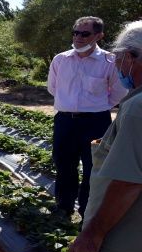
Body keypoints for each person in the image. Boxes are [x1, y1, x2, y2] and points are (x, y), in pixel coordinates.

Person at [67, 20, 142, 252]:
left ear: (132, 57)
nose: (117, 63)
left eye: (120, 56)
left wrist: (93, 234)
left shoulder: (136, 109)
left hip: (118, 246)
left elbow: (128, 182)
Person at [47, 16, 127, 218]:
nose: (78, 37)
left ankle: (86, 211)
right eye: (75, 32)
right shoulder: (60, 59)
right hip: (65, 120)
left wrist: (97, 107)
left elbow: (118, 92)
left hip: (96, 123)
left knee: (93, 168)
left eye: (85, 34)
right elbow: (53, 88)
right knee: (64, 165)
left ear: (99, 36)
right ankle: (64, 207)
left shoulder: (109, 61)